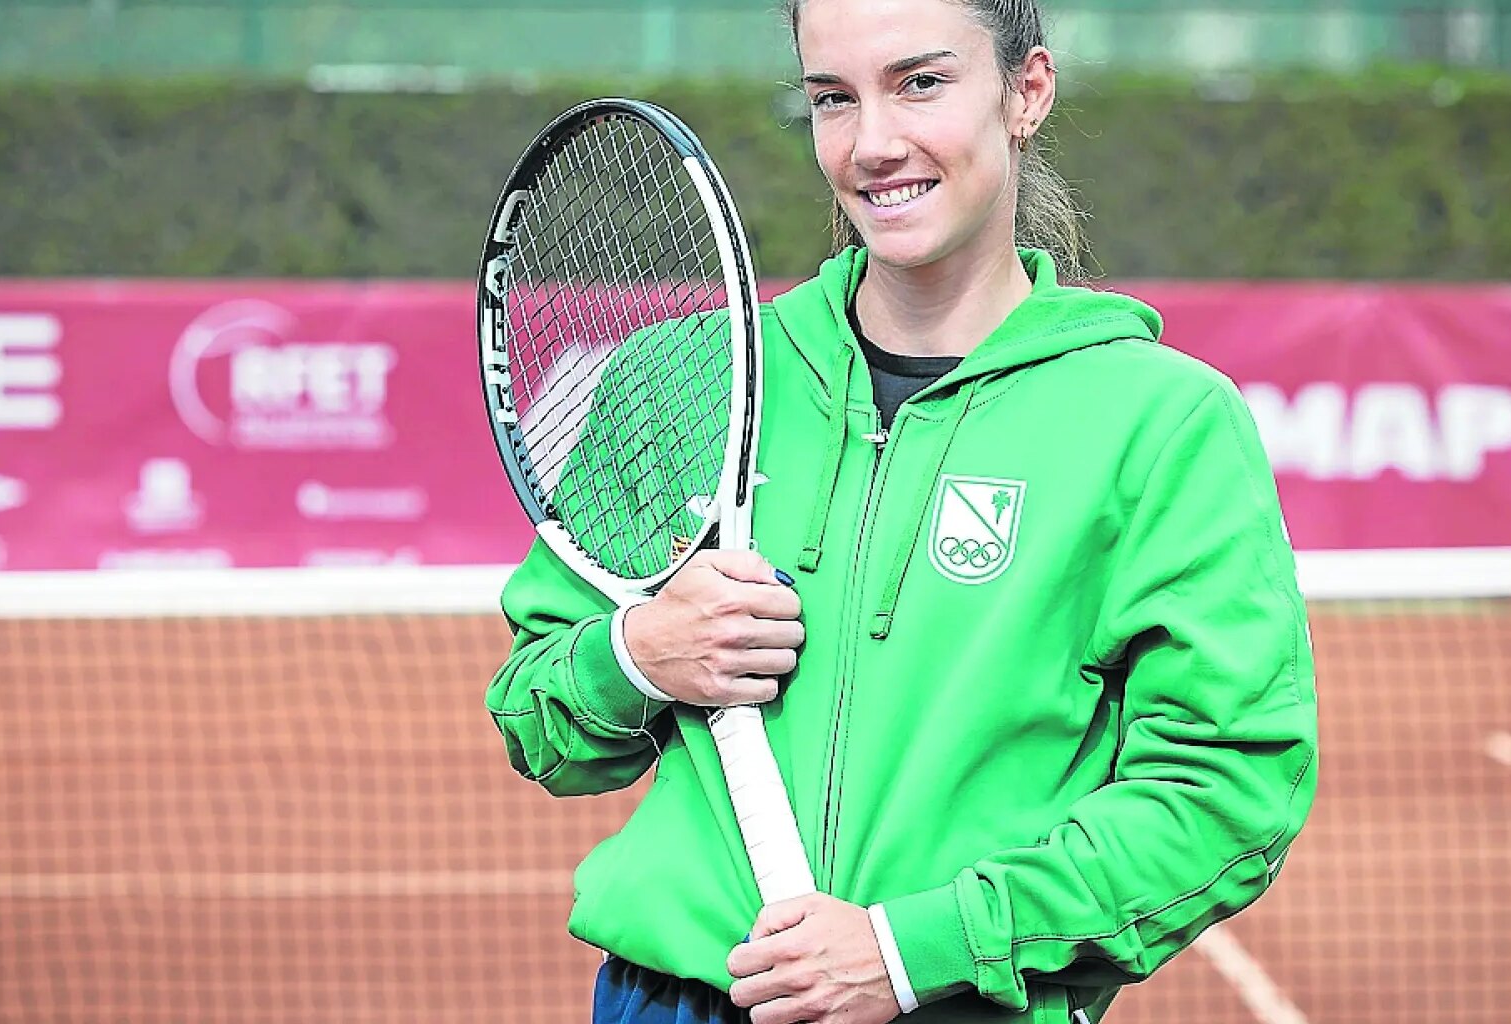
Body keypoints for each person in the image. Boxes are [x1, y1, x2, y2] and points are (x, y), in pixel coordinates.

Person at [485, 0, 1319, 1021]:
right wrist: (635, 655)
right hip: (666, 1003)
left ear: (1027, 92)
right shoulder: (685, 381)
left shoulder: (1161, 424)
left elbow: (1223, 793)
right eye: (834, 98)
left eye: (921, 82)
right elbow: (541, 717)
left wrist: (914, 948)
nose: (874, 144)